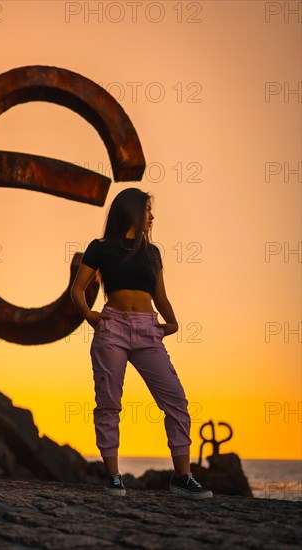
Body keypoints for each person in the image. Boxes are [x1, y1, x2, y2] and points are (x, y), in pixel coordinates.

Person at [70, 188, 212, 500]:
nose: (152, 216)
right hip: (113, 328)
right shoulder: (101, 248)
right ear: (133, 211)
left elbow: (160, 296)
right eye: (148, 210)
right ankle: (113, 477)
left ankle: (182, 476)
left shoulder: (153, 253)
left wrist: (172, 322)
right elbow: (77, 289)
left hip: (148, 331)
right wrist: (90, 316)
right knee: (109, 402)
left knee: (175, 399)